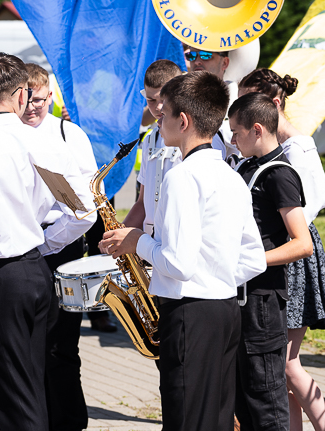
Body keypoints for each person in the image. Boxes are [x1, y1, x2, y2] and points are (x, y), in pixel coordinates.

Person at [101, 71, 267, 431]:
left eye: (164, 114)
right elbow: (253, 258)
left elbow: (177, 263)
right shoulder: (231, 174)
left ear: (184, 120)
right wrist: (215, 276)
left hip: (190, 314)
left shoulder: (181, 175)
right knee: (217, 419)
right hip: (224, 310)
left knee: (186, 420)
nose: (158, 119)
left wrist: (136, 241)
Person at [0, 52, 96, 431]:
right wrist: (47, 244)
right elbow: (85, 211)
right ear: (22, 96)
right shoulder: (44, 144)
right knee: (36, 383)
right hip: (36, 271)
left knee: (16, 397)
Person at [237, 69, 325, 431]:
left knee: (285, 362)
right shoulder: (255, 158)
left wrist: (272, 236)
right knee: (279, 365)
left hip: (290, 254)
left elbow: (312, 202)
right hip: (276, 251)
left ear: (271, 106)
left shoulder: (296, 147)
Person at [228, 92, 314, 431]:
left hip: (263, 301)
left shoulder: (279, 174)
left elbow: (302, 244)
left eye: (236, 132)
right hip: (240, 298)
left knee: (266, 398)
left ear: (257, 129)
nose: (232, 140)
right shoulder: (247, 166)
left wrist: (250, 261)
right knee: (244, 398)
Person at [22, 62, 98, 431]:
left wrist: (49, 244)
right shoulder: (12, 132)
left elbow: (87, 206)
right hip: (23, 245)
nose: (33, 107)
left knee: (62, 342)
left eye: (40, 99)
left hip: (60, 244)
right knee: (27, 343)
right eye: (27, 100)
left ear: (51, 96)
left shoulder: (70, 134)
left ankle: (68, 420)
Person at [124, 60, 184, 237]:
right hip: (151, 243)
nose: (158, 107)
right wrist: (120, 232)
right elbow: (143, 202)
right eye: (150, 100)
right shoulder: (150, 138)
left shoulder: (194, 136)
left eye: (163, 100)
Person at [183, 44, 240, 159]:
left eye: (206, 55)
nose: (197, 61)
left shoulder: (238, 101)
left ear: (224, 63)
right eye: (192, 55)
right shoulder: (179, 97)